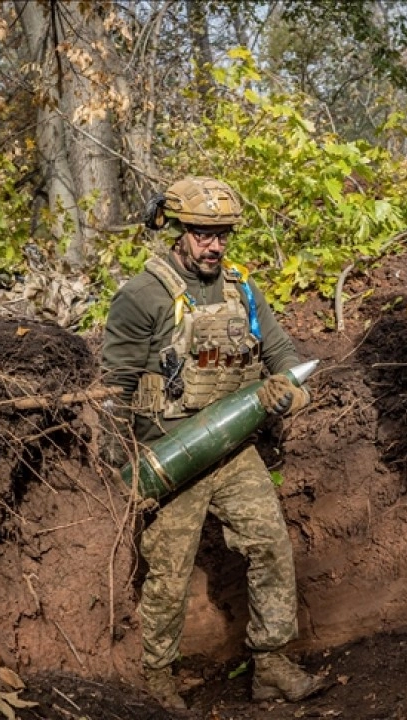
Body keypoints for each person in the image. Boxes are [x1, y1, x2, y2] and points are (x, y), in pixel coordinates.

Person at [100, 177, 328, 711]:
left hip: (233, 447)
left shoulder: (242, 290)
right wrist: (122, 468)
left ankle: (270, 663)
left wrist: (290, 394)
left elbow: (284, 357)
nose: (215, 245)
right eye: (203, 233)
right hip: (170, 455)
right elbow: (113, 390)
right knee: (168, 572)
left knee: (271, 546)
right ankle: (157, 677)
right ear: (179, 230)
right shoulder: (143, 295)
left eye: (222, 234)